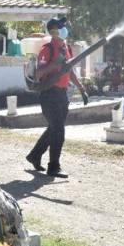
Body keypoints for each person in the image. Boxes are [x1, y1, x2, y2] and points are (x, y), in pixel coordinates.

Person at [25, 17, 88, 178]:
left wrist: (81, 88)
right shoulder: (48, 49)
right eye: (60, 27)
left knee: (54, 128)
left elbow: (69, 70)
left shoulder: (65, 47)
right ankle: (54, 166)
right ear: (53, 31)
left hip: (62, 94)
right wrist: (55, 63)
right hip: (49, 94)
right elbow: (38, 73)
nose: (64, 29)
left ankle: (34, 155)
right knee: (58, 130)